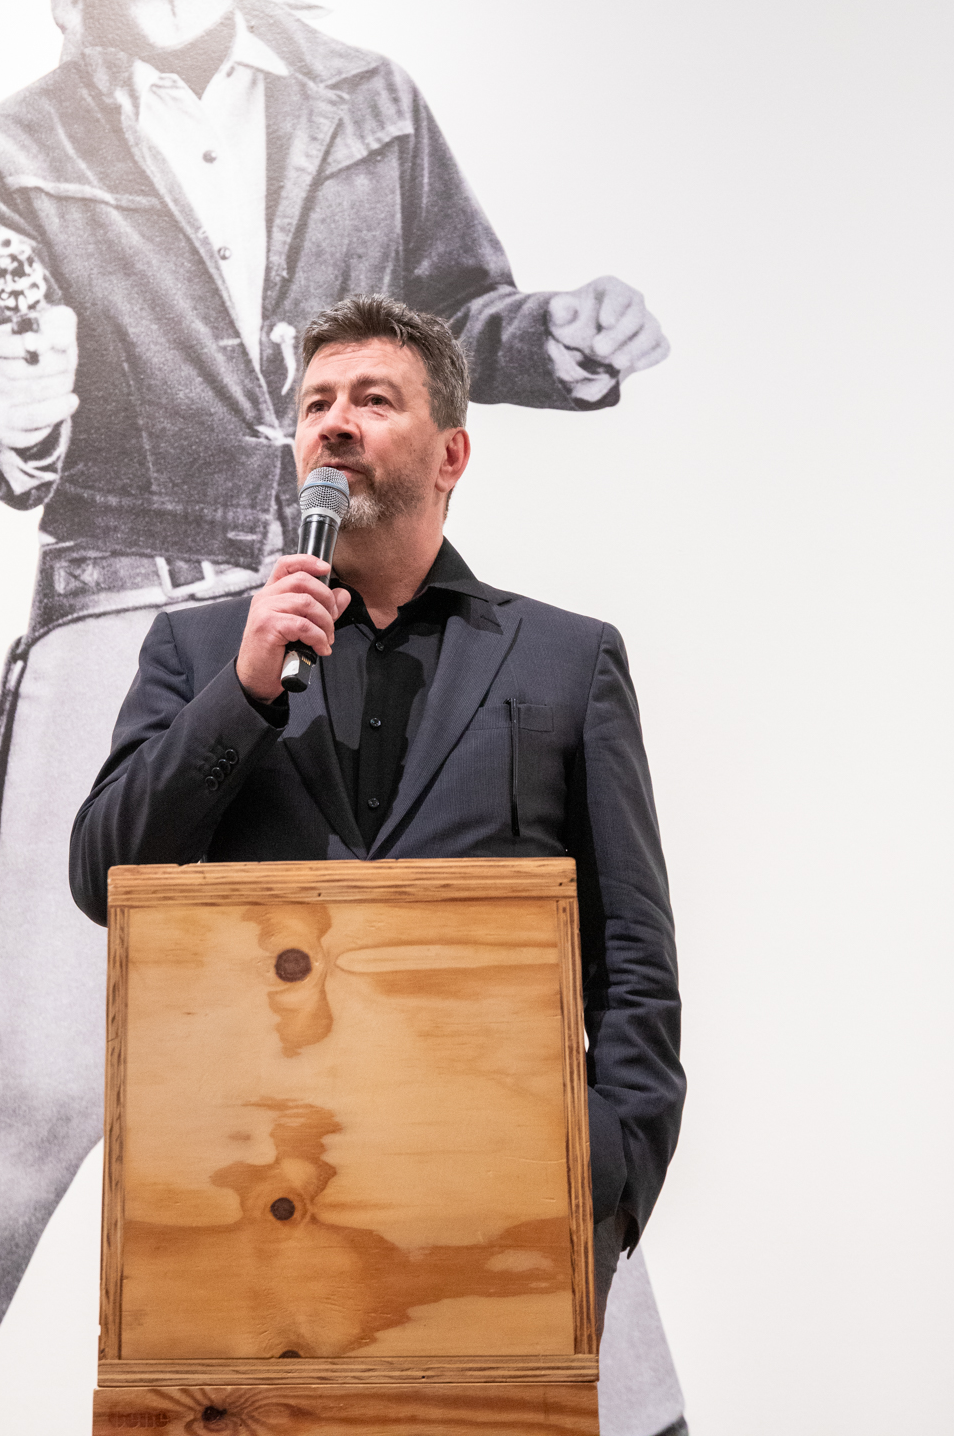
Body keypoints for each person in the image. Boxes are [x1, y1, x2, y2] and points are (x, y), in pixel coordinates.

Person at [0, 0, 680, 1436]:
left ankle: (639, 1407)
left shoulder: (372, 102)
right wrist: (2, 407)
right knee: (48, 1065)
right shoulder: (5, 156)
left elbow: (460, 318)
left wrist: (555, 340)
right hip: (125, 608)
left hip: (364, 607)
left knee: (471, 1031)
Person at [71, 294, 686, 1337]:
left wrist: (607, 1172)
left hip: (501, 1192)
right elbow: (105, 877)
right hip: (253, 1193)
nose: (336, 423)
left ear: (453, 455)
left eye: (373, 400)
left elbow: (630, 949)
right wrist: (242, 693)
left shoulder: (566, 660)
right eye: (316, 404)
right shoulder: (203, 652)